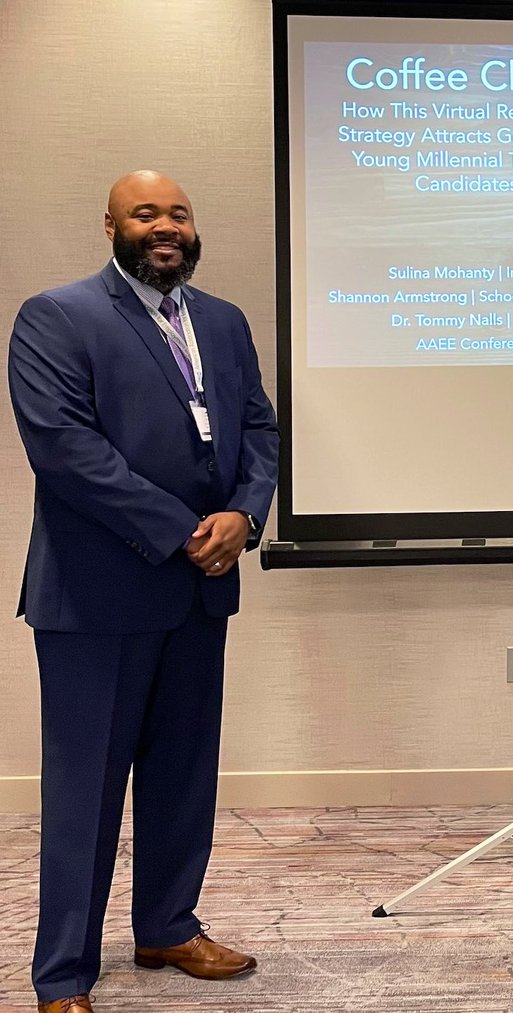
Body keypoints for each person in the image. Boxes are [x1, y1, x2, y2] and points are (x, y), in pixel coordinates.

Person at [8, 171, 279, 1013]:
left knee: (183, 775)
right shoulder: (56, 316)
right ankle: (63, 975)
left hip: (200, 590)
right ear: (111, 226)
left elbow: (259, 426)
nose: (165, 226)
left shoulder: (223, 322)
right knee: (85, 791)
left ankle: (167, 924)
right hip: (98, 597)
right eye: (145, 213)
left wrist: (244, 514)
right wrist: (186, 530)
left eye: (178, 214)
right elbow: (65, 449)